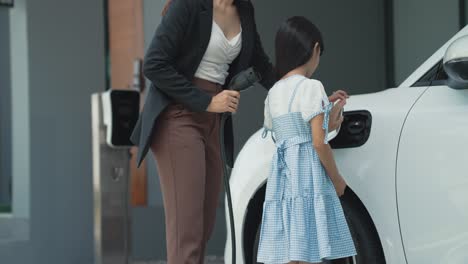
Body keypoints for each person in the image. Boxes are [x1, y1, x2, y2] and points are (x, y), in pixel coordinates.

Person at [129, 0, 277, 263]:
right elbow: (154, 64)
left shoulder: (244, 9)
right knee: (187, 232)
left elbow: (261, 64)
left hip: (214, 120)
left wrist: (303, 90)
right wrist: (207, 101)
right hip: (178, 115)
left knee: (204, 225)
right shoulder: (188, 5)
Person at [257, 16, 357, 263]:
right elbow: (317, 142)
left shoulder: (273, 93)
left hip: (283, 178)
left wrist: (325, 111)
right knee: (308, 250)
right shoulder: (312, 88)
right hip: (307, 176)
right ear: (314, 49)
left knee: (292, 251)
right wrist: (337, 180)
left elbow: (287, 135)